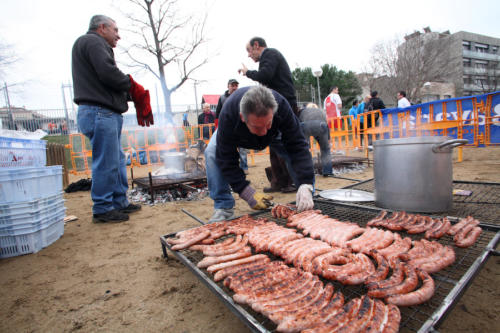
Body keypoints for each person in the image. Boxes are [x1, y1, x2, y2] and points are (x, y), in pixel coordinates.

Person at [72, 15, 153, 223]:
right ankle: (102, 207)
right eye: (115, 30)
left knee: (115, 160)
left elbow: (103, 80)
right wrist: (130, 85)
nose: (119, 35)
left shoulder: (90, 43)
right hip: (100, 112)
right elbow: (108, 73)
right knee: (106, 162)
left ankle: (119, 202)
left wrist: (129, 94)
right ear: (102, 28)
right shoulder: (93, 42)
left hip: (102, 112)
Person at [205, 86, 315, 222]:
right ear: (242, 117)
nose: (263, 132)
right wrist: (245, 191)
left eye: (267, 124)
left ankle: (305, 197)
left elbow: (298, 146)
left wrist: (306, 183)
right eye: (258, 126)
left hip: (276, 134)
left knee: (293, 156)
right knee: (211, 152)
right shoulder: (228, 115)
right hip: (240, 135)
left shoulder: (282, 107)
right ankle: (223, 207)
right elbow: (226, 159)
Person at [238, 36, 297, 193]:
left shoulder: (270, 54)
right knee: (274, 143)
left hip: (285, 105)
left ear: (256, 45)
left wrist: (247, 72)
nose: (249, 55)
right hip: (276, 104)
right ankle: (278, 181)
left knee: (285, 142)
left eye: (249, 50)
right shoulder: (270, 56)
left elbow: (265, 76)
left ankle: (291, 181)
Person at [215, 79, 248, 174]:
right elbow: (218, 113)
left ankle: (244, 167)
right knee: (229, 148)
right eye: (232, 85)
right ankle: (233, 168)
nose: (234, 87)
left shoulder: (242, 96)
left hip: (241, 126)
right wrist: (217, 128)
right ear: (228, 86)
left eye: (236, 85)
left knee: (242, 148)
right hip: (227, 127)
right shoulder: (222, 98)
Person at [299, 103, 332, 176]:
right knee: (325, 150)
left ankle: (307, 172)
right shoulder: (320, 111)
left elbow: (298, 123)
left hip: (306, 125)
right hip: (321, 125)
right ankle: (327, 171)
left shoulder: (303, 111)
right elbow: (326, 125)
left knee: (304, 149)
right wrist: (328, 138)